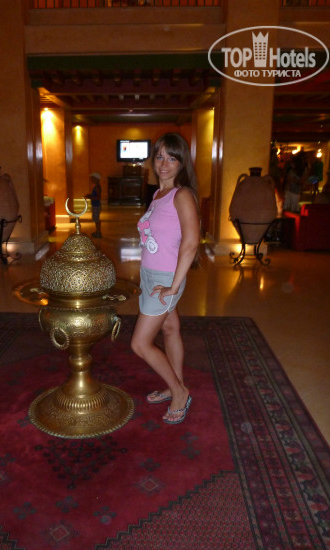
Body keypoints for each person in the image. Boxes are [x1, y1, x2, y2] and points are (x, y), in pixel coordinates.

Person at [131, 133, 200, 425]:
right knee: (170, 329)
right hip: (151, 274)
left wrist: (173, 286)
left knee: (140, 344)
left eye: (172, 158)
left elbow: (191, 243)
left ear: (182, 163)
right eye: (159, 156)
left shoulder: (181, 195)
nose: (164, 164)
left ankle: (180, 393)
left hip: (166, 278)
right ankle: (176, 385)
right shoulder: (158, 195)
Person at [86, 172, 102, 238]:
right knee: (96, 219)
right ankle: (97, 231)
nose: (91, 179)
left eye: (92, 178)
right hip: (95, 205)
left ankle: (98, 233)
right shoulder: (96, 186)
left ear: (96, 179)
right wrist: (90, 195)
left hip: (96, 205)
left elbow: (98, 197)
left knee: (96, 219)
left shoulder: (97, 187)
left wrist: (90, 197)